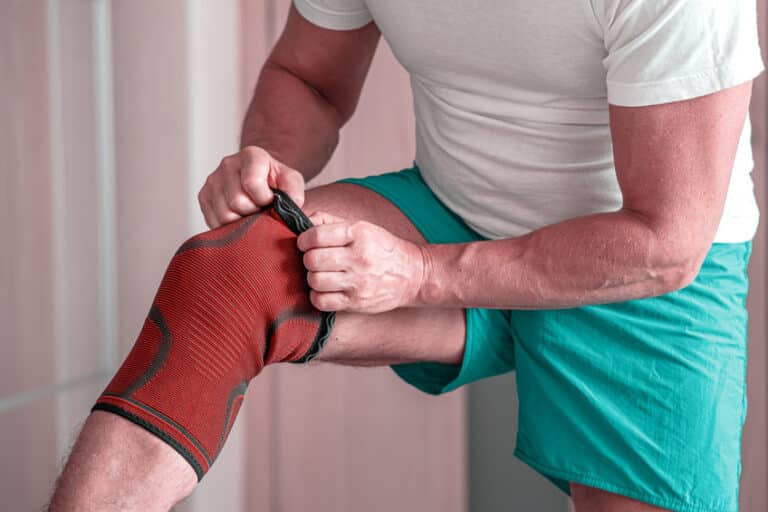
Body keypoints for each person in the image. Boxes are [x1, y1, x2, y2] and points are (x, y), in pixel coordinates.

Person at [49, 1, 764, 511]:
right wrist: (268, 165)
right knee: (227, 274)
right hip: (454, 213)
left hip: (630, 266)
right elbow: (310, 76)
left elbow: (665, 243)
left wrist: (420, 275)